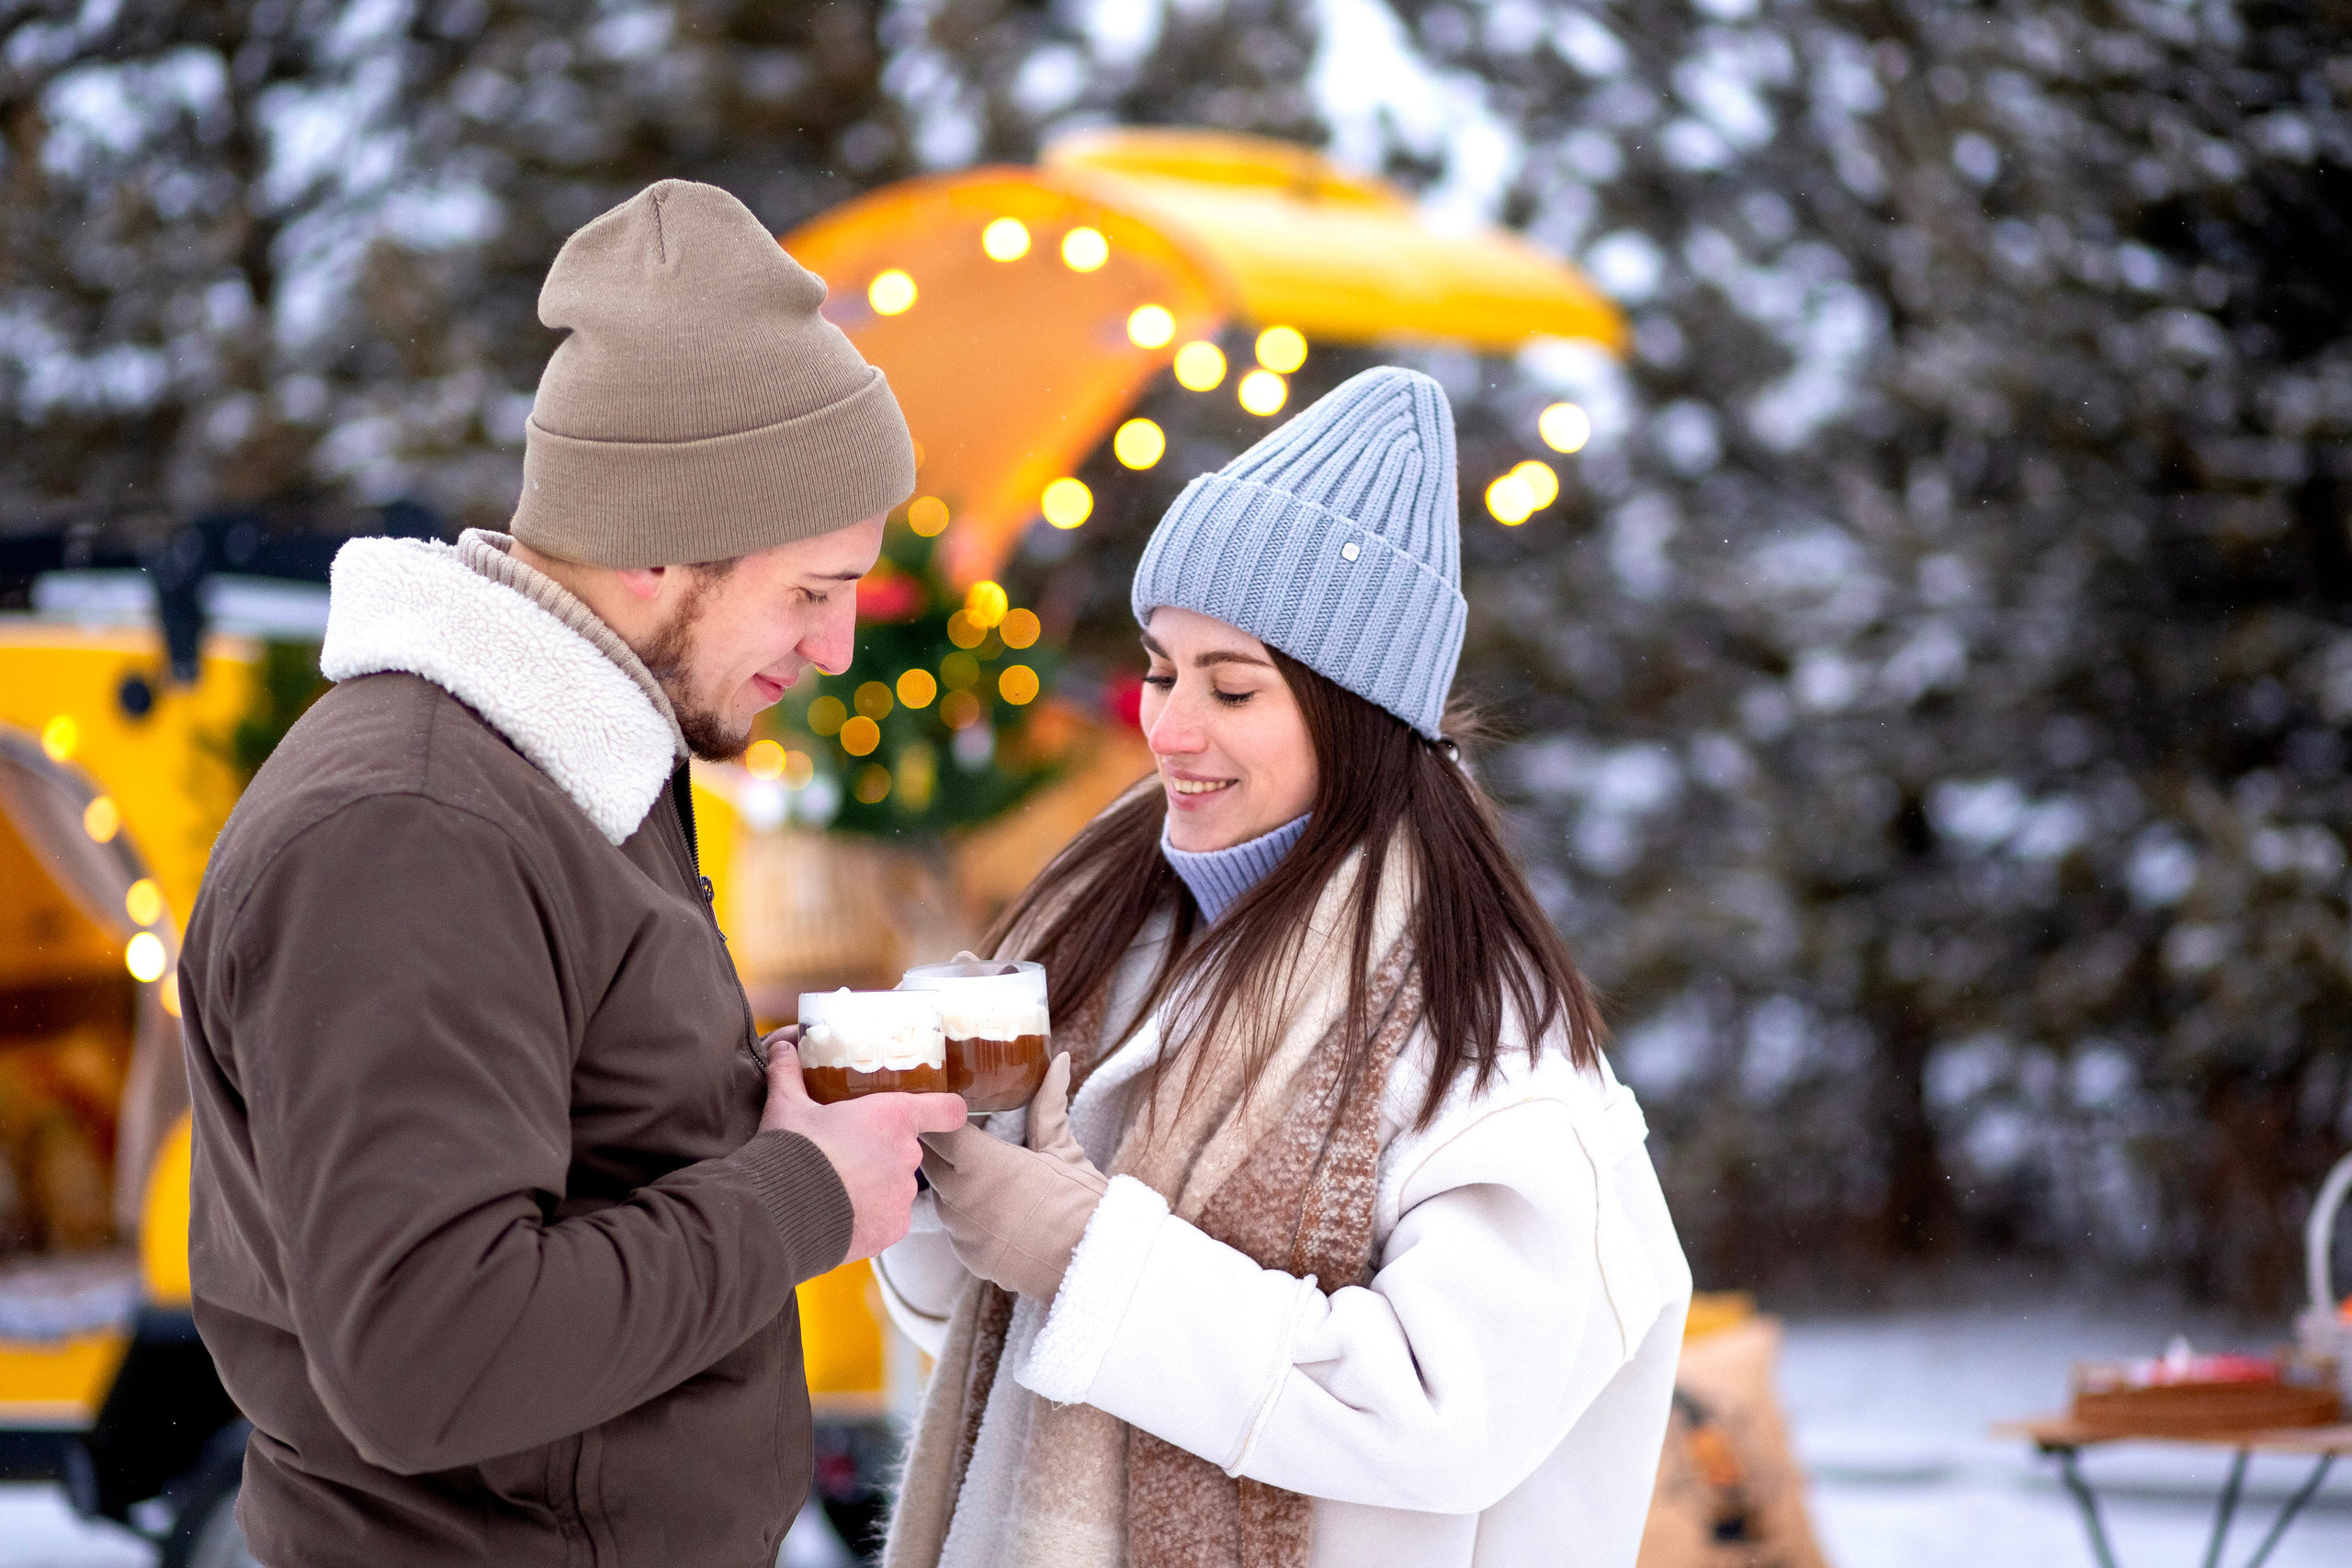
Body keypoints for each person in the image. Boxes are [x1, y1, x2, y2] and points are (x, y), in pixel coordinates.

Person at [179, 179, 966, 1568]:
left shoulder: (562, 776)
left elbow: (585, 1147)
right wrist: (798, 1189)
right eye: (815, 588)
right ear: (659, 539)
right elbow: (436, 1355)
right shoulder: (414, 831)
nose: (838, 648)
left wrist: (757, 1106)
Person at [876, 367, 1692, 1568]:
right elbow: (991, 1346)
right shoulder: (1106, 938)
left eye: (1233, 686)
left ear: (1356, 711)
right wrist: (933, 1152)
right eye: (1161, 669)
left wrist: (1090, 1257)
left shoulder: (1479, 1032)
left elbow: (1442, 1416)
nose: (1169, 727)